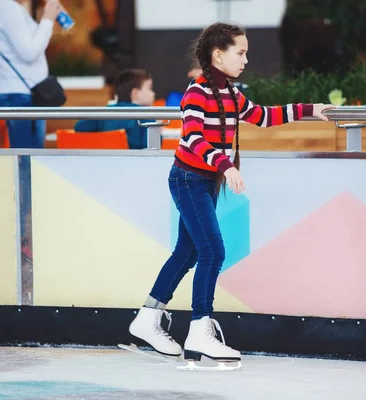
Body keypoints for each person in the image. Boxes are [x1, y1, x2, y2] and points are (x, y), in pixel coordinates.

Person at [127, 22, 334, 365]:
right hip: (188, 179)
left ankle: (148, 317)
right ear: (218, 55)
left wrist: (310, 109)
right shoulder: (197, 92)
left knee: (188, 252)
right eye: (240, 53)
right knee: (212, 251)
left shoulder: (230, 93)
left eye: (246, 53)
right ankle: (199, 328)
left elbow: (262, 116)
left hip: (203, 182)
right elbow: (192, 137)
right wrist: (226, 165)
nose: (245, 60)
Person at [0, 0, 61, 148]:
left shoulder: (4, 8)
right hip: (21, 95)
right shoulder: (8, 8)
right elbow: (29, 52)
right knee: (28, 161)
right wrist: (47, 20)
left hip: (21, 93)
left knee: (27, 159)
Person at [74, 69, 156, 149]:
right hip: (135, 162)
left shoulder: (105, 113)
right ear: (135, 93)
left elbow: (79, 127)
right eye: (150, 88)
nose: (153, 93)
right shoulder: (146, 116)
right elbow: (154, 148)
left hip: (104, 160)